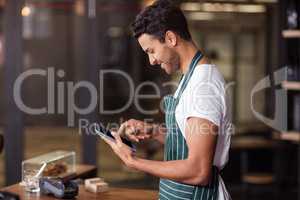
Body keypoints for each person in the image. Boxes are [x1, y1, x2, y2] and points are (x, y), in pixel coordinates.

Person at [101, 1, 232, 199]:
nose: (151, 61)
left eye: (151, 51)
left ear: (170, 38)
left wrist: (134, 161)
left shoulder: (203, 86)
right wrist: (153, 131)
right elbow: (189, 138)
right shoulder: (190, 77)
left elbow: (198, 171)